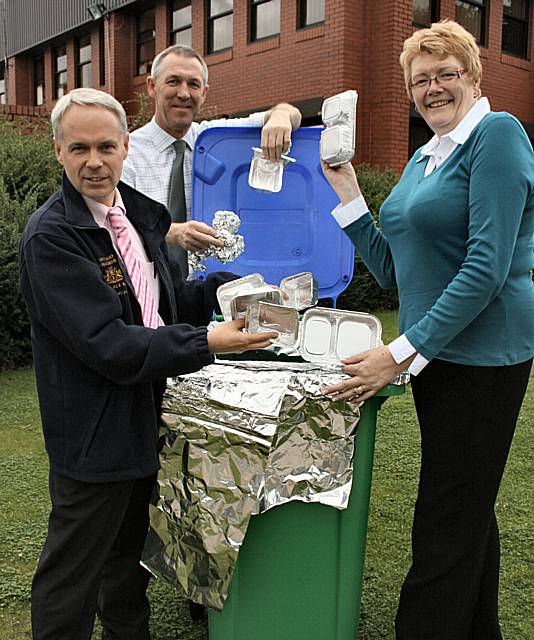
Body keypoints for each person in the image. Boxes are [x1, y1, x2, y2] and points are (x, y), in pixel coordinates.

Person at [18, 88, 278, 640]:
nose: (95, 161)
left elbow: (156, 302)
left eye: (106, 147)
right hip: (93, 433)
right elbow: (111, 344)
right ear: (58, 152)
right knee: (73, 574)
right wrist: (208, 340)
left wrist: (221, 290)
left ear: (125, 147)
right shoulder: (53, 237)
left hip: (144, 418)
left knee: (126, 563)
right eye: (80, 148)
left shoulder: (131, 214)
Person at [321, 20, 534, 640]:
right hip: (441, 354)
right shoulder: (425, 154)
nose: (433, 88)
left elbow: (487, 267)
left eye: (446, 74)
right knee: (468, 507)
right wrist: (350, 197)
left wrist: (400, 352)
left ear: (473, 75)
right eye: (421, 80)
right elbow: (398, 271)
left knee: (446, 514)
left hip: (485, 354)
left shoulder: (497, 136)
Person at [122, 44, 302, 276]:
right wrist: (173, 232)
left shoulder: (216, 139)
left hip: (208, 293)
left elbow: (289, 113)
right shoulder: (127, 152)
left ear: (204, 92)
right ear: (152, 86)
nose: (184, 93)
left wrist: (281, 116)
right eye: (173, 81)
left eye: (193, 84)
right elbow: (118, 223)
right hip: (148, 291)